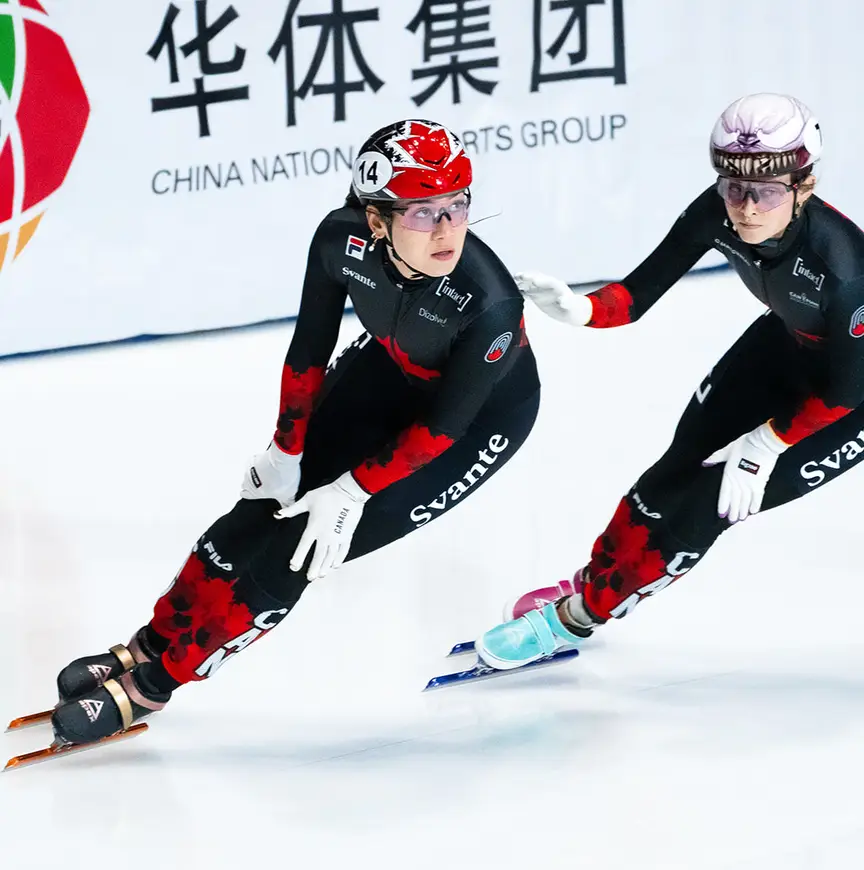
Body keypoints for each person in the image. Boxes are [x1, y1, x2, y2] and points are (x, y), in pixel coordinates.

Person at [47, 119, 541, 744]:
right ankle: (151, 642)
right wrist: (285, 449)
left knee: (299, 549)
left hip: (472, 424)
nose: (447, 230)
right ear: (376, 220)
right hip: (391, 372)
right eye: (422, 213)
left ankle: (157, 683)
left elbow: (442, 429)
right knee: (257, 509)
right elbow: (309, 351)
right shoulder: (339, 241)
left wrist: (352, 493)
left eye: (455, 206)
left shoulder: (491, 302)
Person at [475, 93, 864, 669]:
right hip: (784, 345)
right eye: (735, 188)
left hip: (848, 399)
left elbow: (847, 391)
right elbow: (637, 293)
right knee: (671, 472)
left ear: (804, 187)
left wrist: (767, 443)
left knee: (708, 505)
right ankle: (599, 579)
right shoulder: (717, 210)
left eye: (769, 191)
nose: (748, 209)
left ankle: (576, 620)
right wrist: (581, 309)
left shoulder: (846, 267)